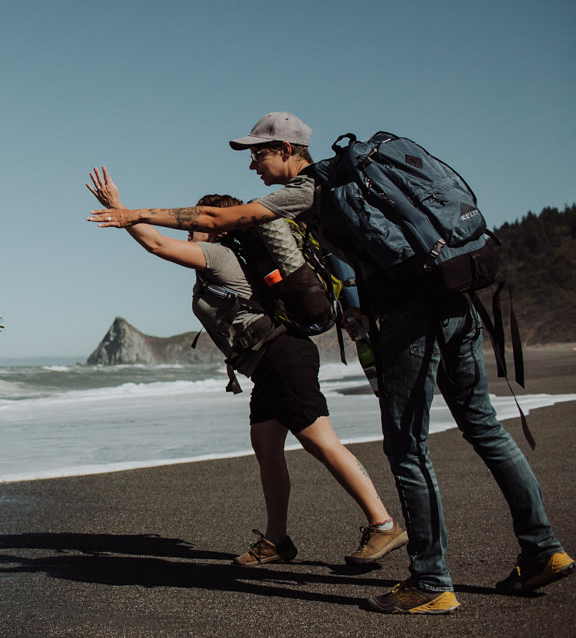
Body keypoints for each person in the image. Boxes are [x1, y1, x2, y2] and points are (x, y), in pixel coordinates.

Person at [87, 113, 573, 615]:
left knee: (407, 447)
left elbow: (217, 221)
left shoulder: (312, 186)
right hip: (454, 298)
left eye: (258, 152)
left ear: (287, 149)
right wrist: (356, 306)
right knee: (485, 428)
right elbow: (348, 257)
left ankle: (430, 580)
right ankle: (542, 550)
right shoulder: (354, 188)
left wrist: (129, 213)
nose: (253, 164)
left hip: (413, 316)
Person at [85, 166, 407, 568]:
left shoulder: (218, 256)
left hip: (282, 356)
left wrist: (122, 209)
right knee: (266, 446)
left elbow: (156, 244)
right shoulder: (216, 261)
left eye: (196, 222)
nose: (189, 229)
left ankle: (383, 523)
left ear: (217, 228)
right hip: (267, 362)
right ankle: (277, 541)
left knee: (320, 441)